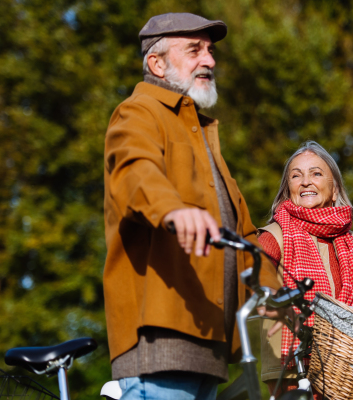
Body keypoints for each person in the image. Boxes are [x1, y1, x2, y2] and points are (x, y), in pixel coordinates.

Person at [103, 12, 278, 400]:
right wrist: (172, 209)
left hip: (210, 342)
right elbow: (135, 171)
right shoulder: (139, 113)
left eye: (211, 51)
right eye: (194, 50)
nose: (210, 61)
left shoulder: (201, 134)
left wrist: (277, 291)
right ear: (157, 64)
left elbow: (243, 233)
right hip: (161, 337)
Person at [257, 141, 353, 398]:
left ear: (334, 189)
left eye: (316, 173)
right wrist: (271, 301)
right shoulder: (274, 236)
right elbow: (255, 280)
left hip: (348, 370)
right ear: (287, 189)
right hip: (291, 367)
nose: (305, 182)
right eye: (296, 175)